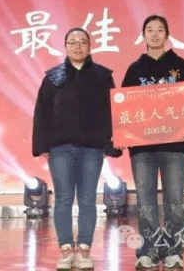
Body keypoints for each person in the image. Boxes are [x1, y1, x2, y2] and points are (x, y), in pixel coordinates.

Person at [32, 27, 121, 271]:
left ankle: (83, 250)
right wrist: (41, 145)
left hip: (92, 148)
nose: (78, 46)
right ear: (65, 47)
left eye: (83, 42)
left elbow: (113, 111)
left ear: (90, 46)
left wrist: (113, 142)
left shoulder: (103, 76)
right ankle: (65, 250)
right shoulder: (53, 77)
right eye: (73, 42)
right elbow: (41, 113)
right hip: (60, 148)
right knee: (62, 199)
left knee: (87, 200)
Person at [122, 15, 184, 270]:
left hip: (174, 147)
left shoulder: (179, 66)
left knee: (175, 202)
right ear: (143, 36)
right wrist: (122, 134)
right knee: (145, 203)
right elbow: (124, 108)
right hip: (142, 149)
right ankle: (149, 251)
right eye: (149, 30)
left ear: (167, 35)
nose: (154, 34)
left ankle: (174, 252)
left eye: (160, 30)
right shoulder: (135, 69)